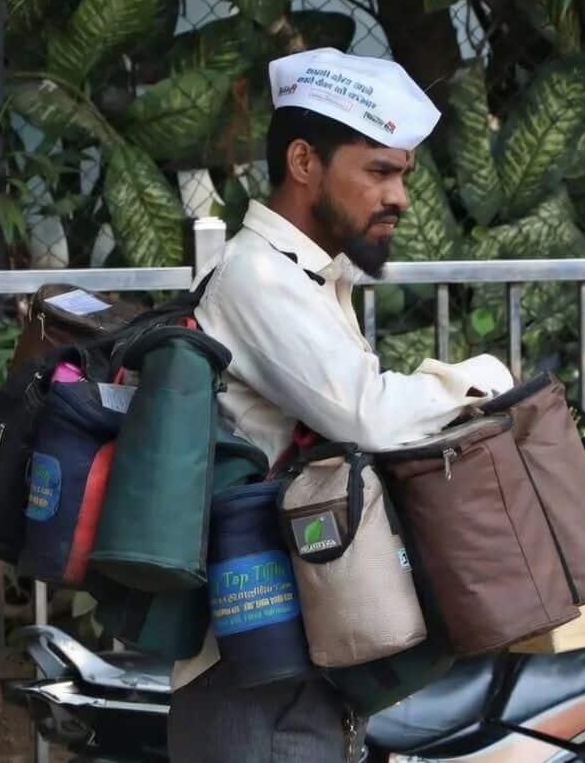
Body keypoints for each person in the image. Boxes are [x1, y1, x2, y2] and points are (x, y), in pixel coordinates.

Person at [167, 49, 516, 762]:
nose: (400, 197)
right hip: (252, 676)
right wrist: (481, 377)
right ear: (304, 162)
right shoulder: (257, 277)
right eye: (379, 171)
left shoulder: (308, 278)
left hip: (291, 656)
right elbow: (368, 415)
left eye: (404, 175)